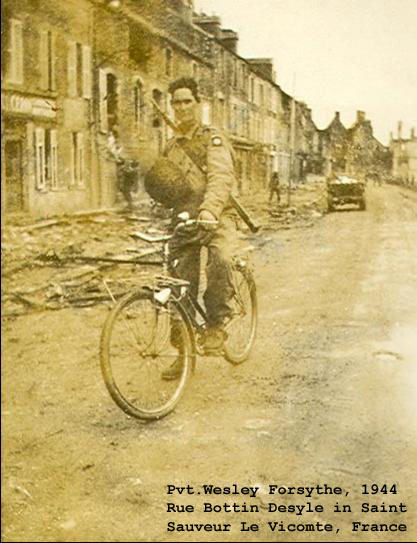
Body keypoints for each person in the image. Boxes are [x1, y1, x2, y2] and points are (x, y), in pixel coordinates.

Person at [146, 77, 238, 379]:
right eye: (177, 102)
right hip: (185, 221)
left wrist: (210, 209)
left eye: (187, 101)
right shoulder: (171, 146)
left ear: (198, 104)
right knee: (176, 284)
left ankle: (216, 325)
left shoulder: (213, 138)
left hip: (216, 216)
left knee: (222, 259)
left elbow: (221, 177)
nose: (182, 107)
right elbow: (168, 187)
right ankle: (183, 353)